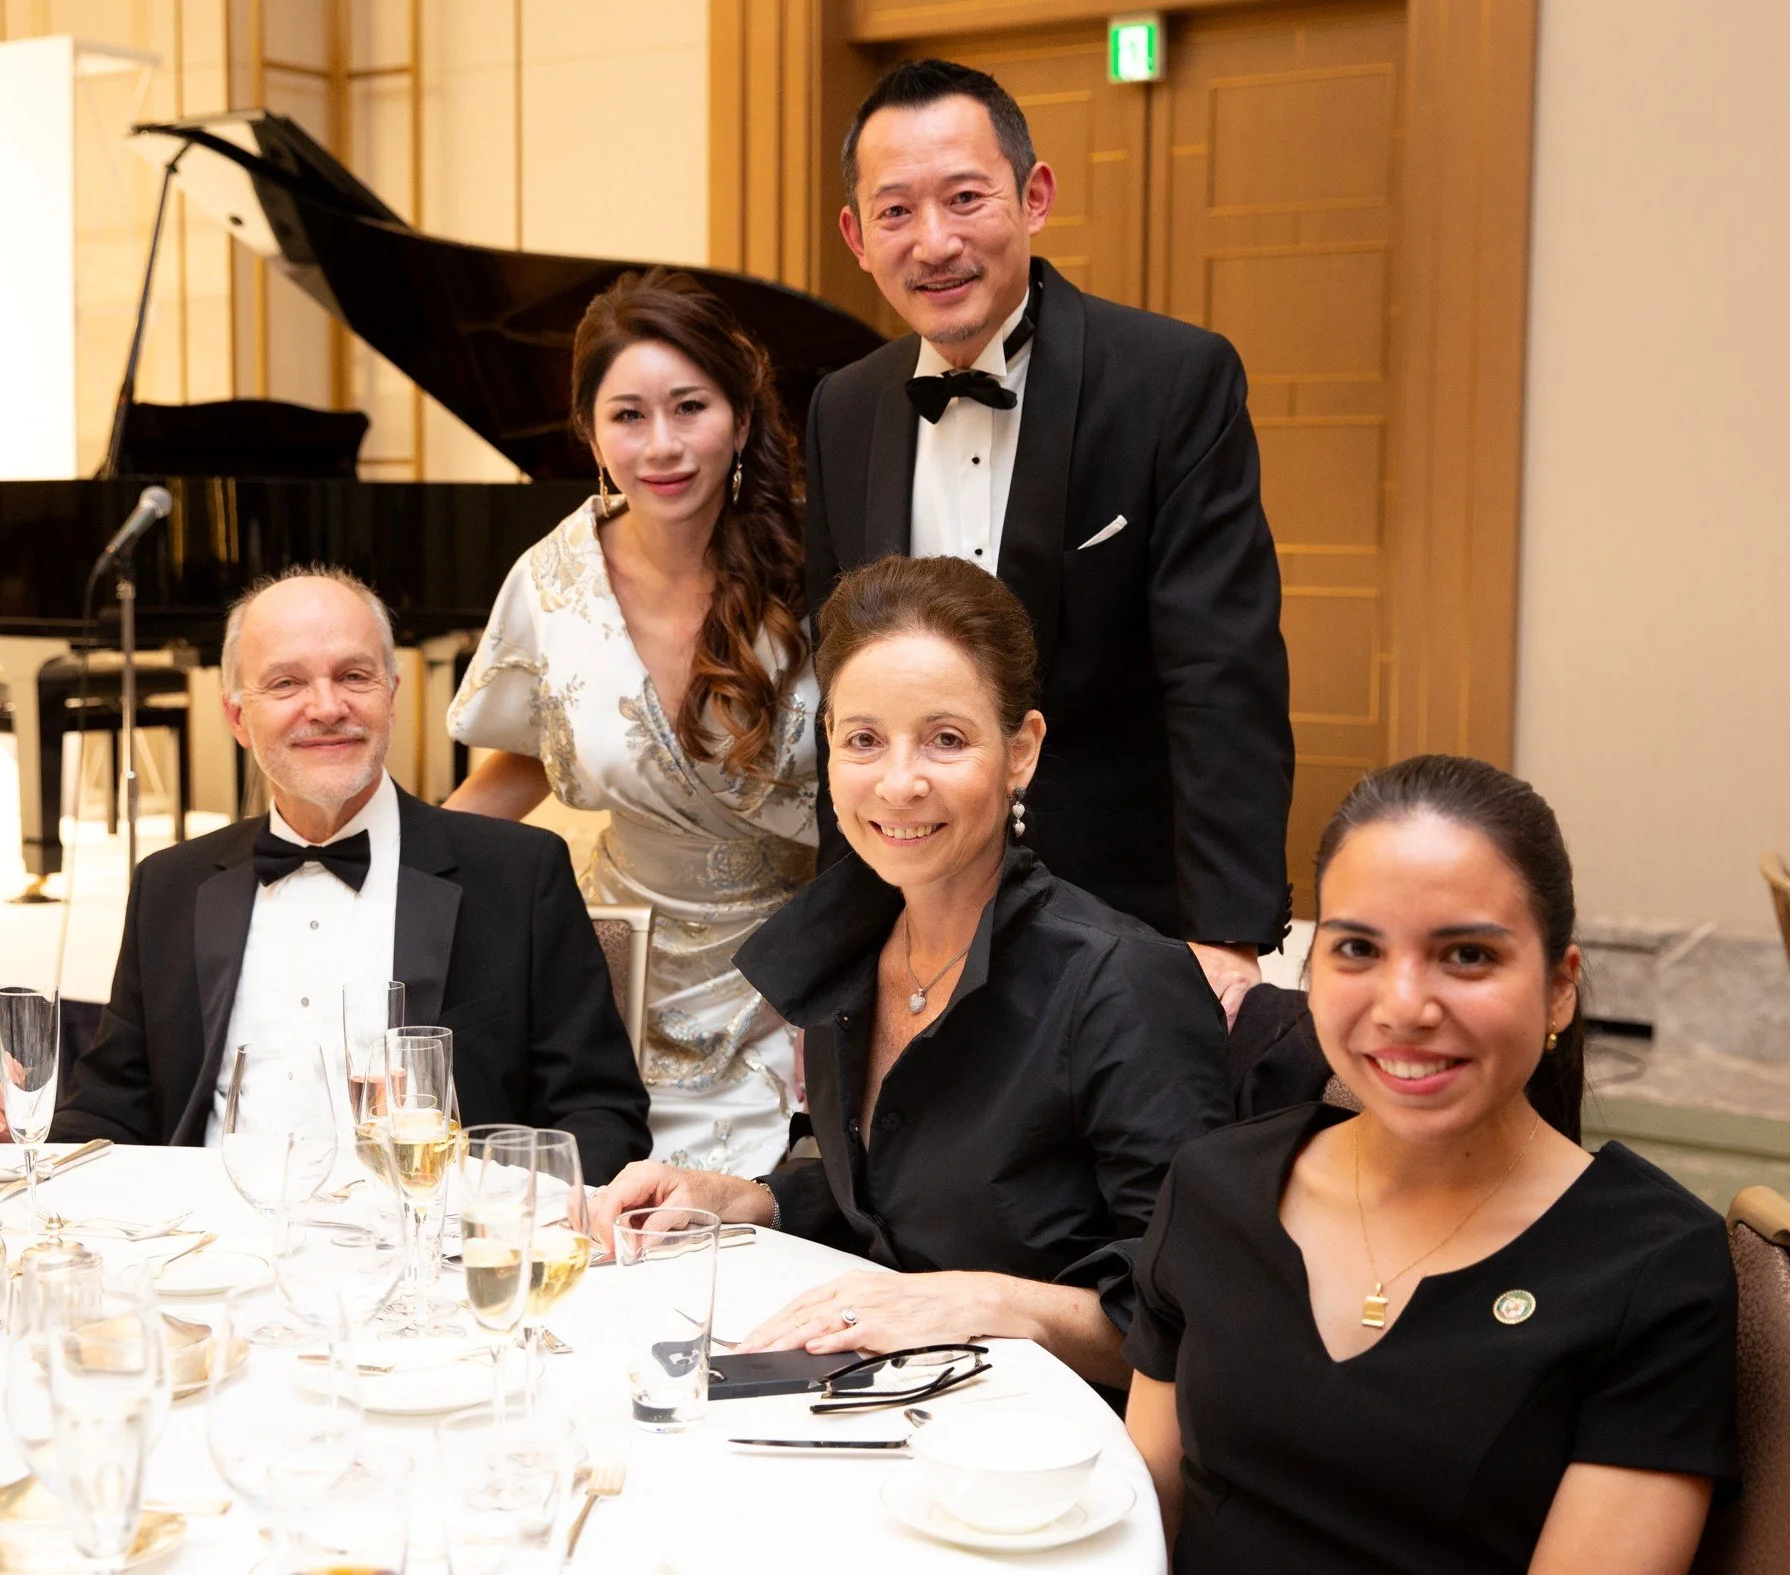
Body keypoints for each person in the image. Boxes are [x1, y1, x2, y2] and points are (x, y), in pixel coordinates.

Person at [590, 555, 1235, 1384]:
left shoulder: (1124, 983)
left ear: (1022, 752)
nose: (899, 783)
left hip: (1052, 1433)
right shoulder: (854, 942)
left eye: (946, 740)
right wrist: (749, 1197)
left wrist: (987, 1301)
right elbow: (898, 1206)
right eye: (864, 740)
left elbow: (1198, 1311)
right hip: (883, 1402)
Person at [1123, 756, 1738, 1572]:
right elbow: (1139, 1521)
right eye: (1357, 948)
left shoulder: (1651, 1265)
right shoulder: (1214, 1185)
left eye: (1468, 955)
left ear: (1560, 987)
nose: (1404, 1006)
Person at [802, 58, 1294, 1023]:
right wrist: (843, 939)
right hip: (914, 915)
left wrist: (1226, 934)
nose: (935, 242)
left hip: (1121, 908)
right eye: (896, 211)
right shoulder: (843, 407)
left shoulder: (1171, 380)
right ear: (856, 237)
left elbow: (1222, 672)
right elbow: (842, 689)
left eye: (966, 198)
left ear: (1034, 197)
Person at [0, 565, 652, 1183]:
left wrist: (482, 1214)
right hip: (209, 1252)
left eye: (353, 676)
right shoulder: (171, 886)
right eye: (286, 682)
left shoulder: (516, 875)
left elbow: (601, 1117)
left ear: (392, 695)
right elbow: (114, 1111)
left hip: (425, 1252)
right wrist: (14, 1137)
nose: (326, 707)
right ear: (237, 716)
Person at [445, 269, 818, 1179]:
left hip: (800, 970)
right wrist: (397, 867)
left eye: (690, 407)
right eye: (628, 415)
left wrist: (850, 977)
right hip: (616, 965)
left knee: (761, 1218)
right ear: (590, 432)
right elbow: (526, 760)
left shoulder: (815, 566)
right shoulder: (550, 581)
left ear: (741, 416)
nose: (662, 445)